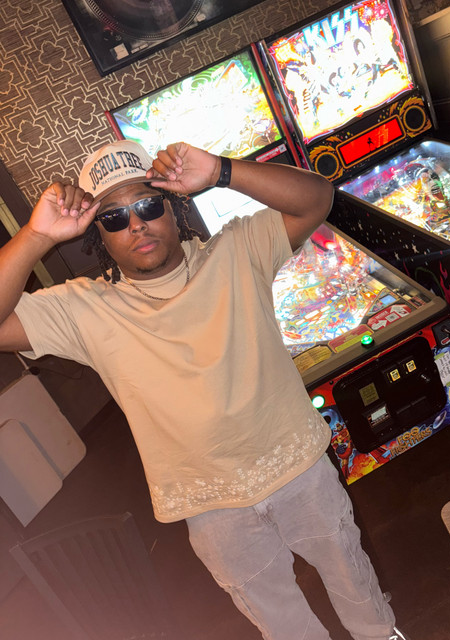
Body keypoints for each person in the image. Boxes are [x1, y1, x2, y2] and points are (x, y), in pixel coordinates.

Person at [0, 139, 408, 640]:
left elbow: (317, 198)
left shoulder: (235, 250)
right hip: (208, 505)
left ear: (173, 208)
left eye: (148, 205)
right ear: (98, 237)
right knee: (280, 621)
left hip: (298, 470)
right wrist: (36, 236)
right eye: (114, 217)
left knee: (355, 586)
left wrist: (220, 171)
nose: (136, 224)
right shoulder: (84, 308)